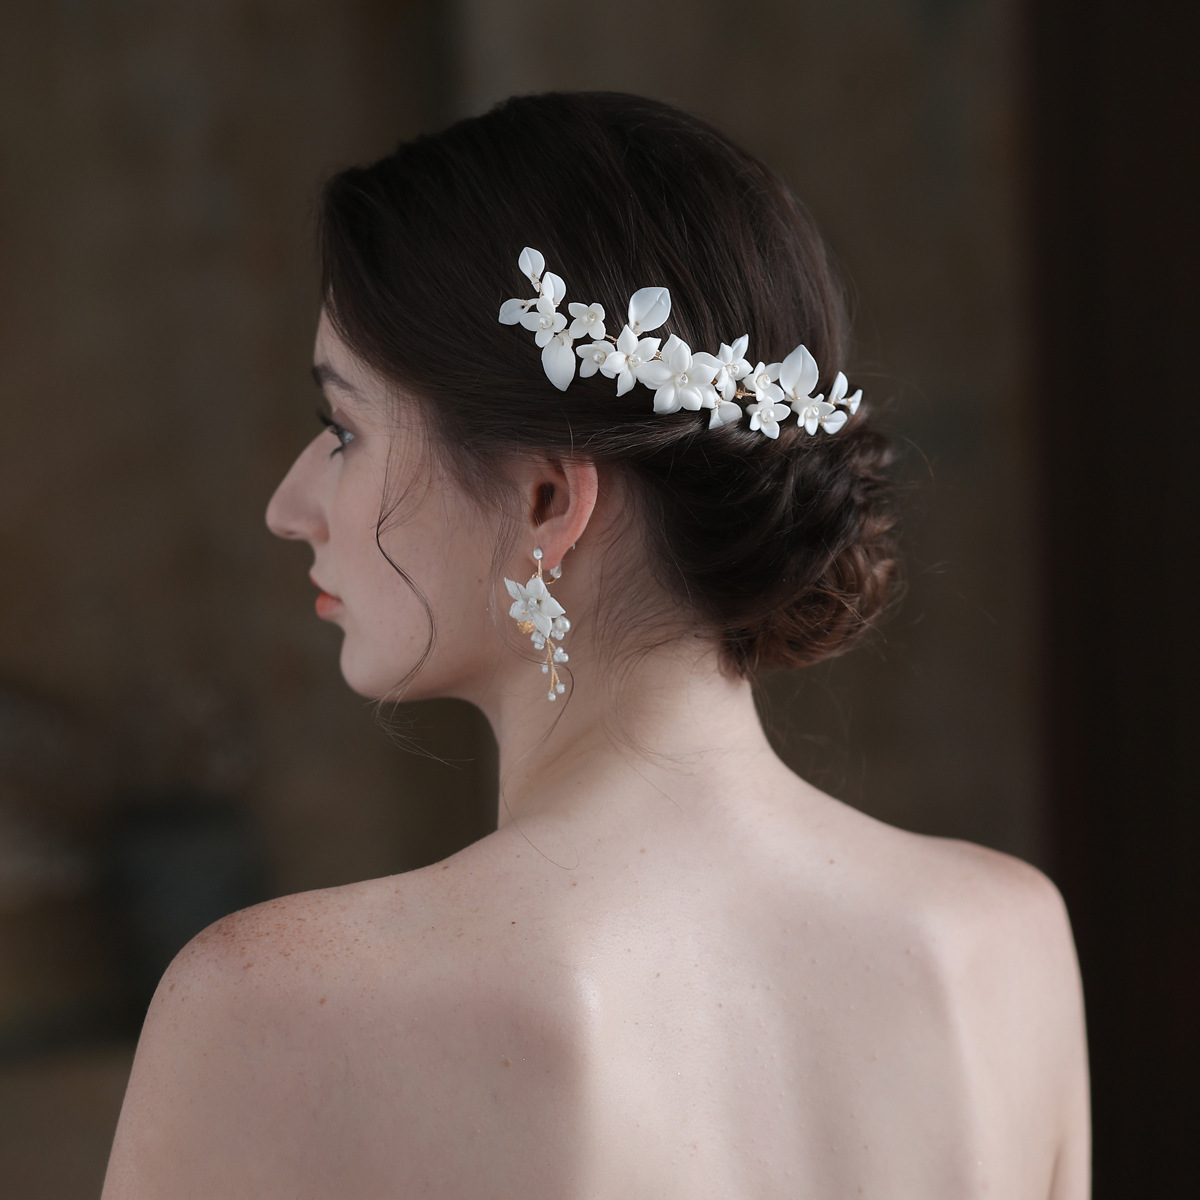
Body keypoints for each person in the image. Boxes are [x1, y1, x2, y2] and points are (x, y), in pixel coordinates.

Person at [102, 92, 1089, 1198]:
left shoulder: (267, 1010)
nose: (291, 504)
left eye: (343, 430)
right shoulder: (1007, 944)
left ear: (542, 499)